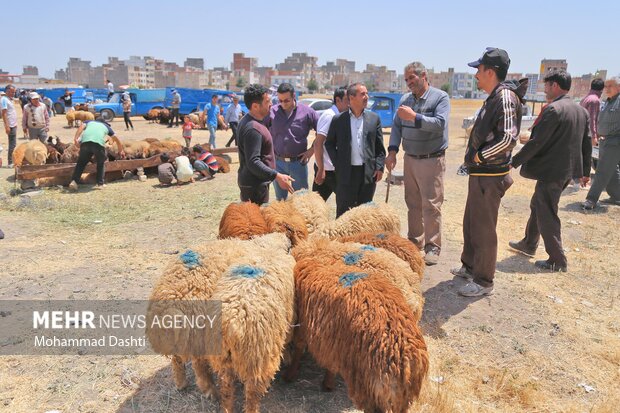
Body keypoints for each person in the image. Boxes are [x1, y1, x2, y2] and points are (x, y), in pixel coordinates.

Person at [451, 47, 527, 297]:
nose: (475, 75)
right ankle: (470, 266)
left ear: (491, 72)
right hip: (481, 174)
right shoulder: (495, 96)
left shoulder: (504, 98)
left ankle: (484, 281)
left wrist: (479, 156)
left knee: (484, 228)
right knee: (472, 222)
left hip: (491, 175)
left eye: (479, 70)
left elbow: (508, 139)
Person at [509, 70, 591, 272]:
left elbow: (537, 142)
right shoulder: (581, 110)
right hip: (566, 171)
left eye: (546, 85)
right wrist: (585, 171)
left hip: (552, 171)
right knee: (538, 205)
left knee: (546, 211)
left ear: (554, 85)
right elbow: (586, 143)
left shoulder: (553, 109)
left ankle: (557, 259)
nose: (544, 90)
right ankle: (529, 243)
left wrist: (514, 162)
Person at [386, 62, 450, 266]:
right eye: (406, 80)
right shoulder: (405, 100)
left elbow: (440, 124)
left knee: (430, 204)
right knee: (412, 203)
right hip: (410, 159)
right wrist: (393, 151)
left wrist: (414, 117)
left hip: (431, 159)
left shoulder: (440, 97)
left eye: (412, 78)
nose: (409, 83)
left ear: (424, 75)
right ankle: (415, 242)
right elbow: (396, 126)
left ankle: (433, 246)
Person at [326, 83, 386, 217]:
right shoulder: (338, 120)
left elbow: (380, 148)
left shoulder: (374, 119)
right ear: (351, 97)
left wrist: (379, 167)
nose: (367, 97)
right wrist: (338, 163)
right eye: (363, 94)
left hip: (367, 174)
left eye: (367, 93)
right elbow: (329, 144)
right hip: (346, 173)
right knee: (343, 212)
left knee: (365, 213)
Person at [237, 83, 294, 204]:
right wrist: (277, 176)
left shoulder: (252, 121)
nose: (271, 104)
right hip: (255, 186)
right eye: (267, 101)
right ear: (255, 106)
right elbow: (253, 162)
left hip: (255, 184)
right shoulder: (253, 128)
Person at [266, 83, 319, 201]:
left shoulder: (308, 112)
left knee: (302, 200)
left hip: (298, 164)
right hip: (278, 164)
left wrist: (311, 150)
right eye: (280, 100)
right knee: (281, 201)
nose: (283, 104)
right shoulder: (272, 112)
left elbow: (322, 132)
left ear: (294, 96)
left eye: (286, 100)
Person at [582, 77, 620, 210]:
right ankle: (617, 196)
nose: (607, 89)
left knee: (602, 171)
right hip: (605, 141)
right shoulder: (608, 101)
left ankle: (591, 199)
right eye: (606, 86)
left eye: (610, 86)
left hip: (615, 142)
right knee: (612, 171)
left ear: (619, 87)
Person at [313, 86, 349, 201]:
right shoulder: (330, 116)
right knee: (316, 206)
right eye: (347, 100)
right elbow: (318, 143)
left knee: (344, 202)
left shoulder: (341, 116)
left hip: (335, 169)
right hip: (327, 171)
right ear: (338, 100)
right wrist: (321, 169)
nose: (350, 103)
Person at [68, 117, 124, 191]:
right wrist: (121, 150)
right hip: (98, 144)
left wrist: (75, 138)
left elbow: (81, 127)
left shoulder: (89, 122)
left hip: (85, 142)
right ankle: (100, 183)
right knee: (101, 163)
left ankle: (74, 182)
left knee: (81, 163)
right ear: (104, 123)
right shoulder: (106, 126)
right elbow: (116, 139)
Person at [580, 78, 605, 146]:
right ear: (602, 89)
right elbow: (592, 119)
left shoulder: (585, 98)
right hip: (586, 137)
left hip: (580, 134)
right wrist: (594, 136)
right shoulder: (595, 100)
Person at [1, 84, 18, 168]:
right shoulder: (4, 99)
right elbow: (4, 114)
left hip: (13, 124)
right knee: (12, 144)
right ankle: (10, 162)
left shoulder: (9, 99)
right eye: (12, 92)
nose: (13, 94)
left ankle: (12, 161)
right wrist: (6, 126)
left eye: (14, 92)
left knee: (13, 144)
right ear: (7, 91)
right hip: (10, 125)